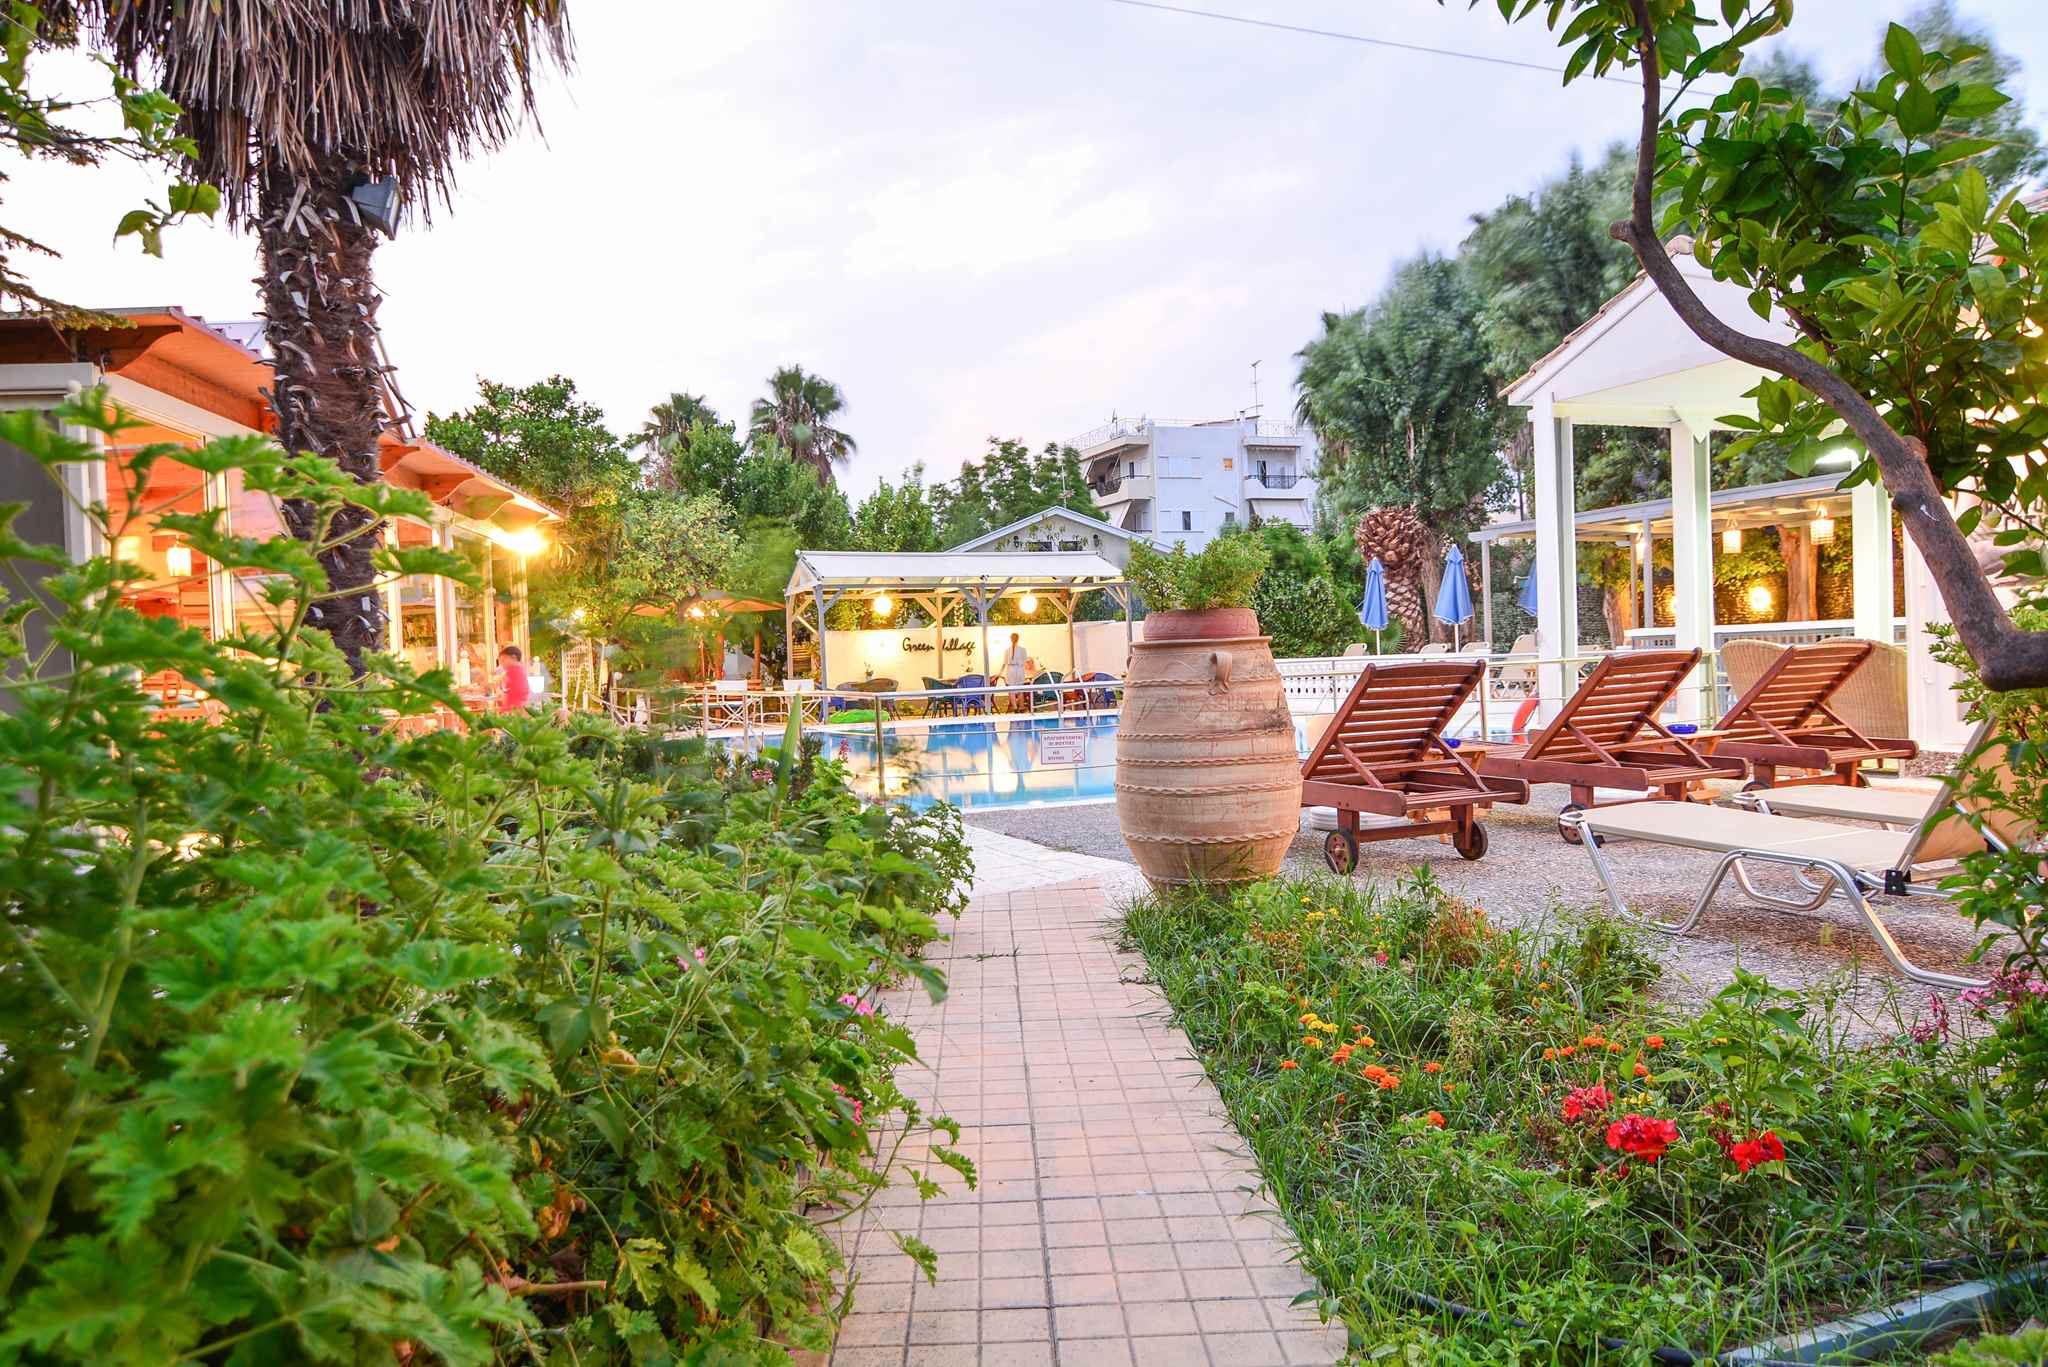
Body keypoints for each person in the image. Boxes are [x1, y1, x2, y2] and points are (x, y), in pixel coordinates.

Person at [1000, 633, 1033, 712]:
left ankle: (1015, 707)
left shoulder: (1007, 650)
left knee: (1011, 690)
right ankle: (1021, 707)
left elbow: (1004, 663)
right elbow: (1026, 662)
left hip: (1010, 671)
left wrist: (1000, 672)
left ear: (1010, 639)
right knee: (1020, 690)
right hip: (1019, 670)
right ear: (1018, 639)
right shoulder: (1022, 650)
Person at [497, 644, 531, 712]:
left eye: (503, 660)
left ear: (514, 658)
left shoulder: (514, 671)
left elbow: (518, 691)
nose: (502, 664)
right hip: (515, 706)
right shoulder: (518, 670)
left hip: (514, 707)